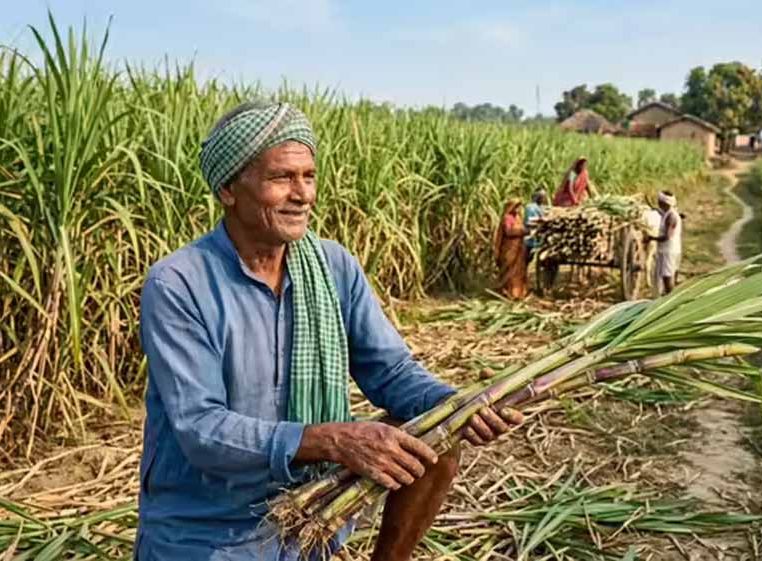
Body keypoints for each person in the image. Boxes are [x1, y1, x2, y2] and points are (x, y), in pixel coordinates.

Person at [135, 101, 523, 561]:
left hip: (313, 517)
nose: (303, 194)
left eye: (309, 176)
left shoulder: (333, 267)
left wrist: (456, 405)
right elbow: (201, 428)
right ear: (228, 189)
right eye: (282, 178)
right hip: (210, 532)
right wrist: (333, 440)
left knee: (434, 438)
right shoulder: (180, 283)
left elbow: (390, 371)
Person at [647, 191, 683, 295]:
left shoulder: (671, 217)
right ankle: (670, 296)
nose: (658, 202)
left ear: (663, 203)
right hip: (672, 250)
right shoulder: (668, 213)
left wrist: (651, 238)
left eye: (659, 201)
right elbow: (659, 212)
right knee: (670, 274)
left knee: (667, 277)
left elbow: (667, 236)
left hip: (669, 251)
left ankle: (669, 298)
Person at [493, 199, 528, 300]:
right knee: (509, 270)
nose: (517, 209)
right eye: (516, 206)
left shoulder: (518, 217)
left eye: (518, 207)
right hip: (509, 249)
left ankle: (518, 293)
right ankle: (507, 293)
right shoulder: (507, 218)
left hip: (519, 248)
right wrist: (521, 231)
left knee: (518, 271)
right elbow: (508, 231)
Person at [523, 188, 547, 259]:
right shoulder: (530, 207)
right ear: (537, 197)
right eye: (541, 197)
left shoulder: (541, 207)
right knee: (526, 257)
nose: (543, 199)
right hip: (530, 234)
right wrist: (540, 222)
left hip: (539, 234)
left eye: (543, 197)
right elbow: (528, 222)